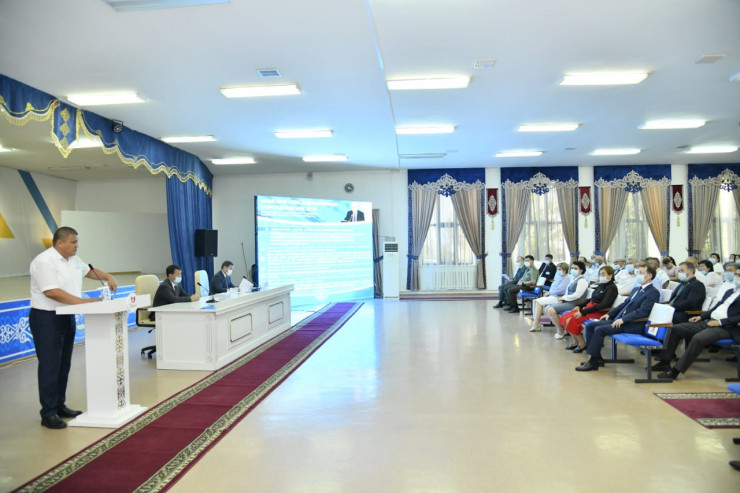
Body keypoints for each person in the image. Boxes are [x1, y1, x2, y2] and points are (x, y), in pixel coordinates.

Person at [29, 226, 118, 429]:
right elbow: (52, 292)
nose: (77, 246)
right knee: (50, 366)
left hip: (67, 316)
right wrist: (84, 302)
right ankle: (48, 413)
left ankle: (59, 405)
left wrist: (108, 276)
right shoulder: (44, 261)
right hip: (47, 318)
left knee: (64, 365)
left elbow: (89, 272)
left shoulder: (74, 260)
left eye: (77, 242)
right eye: (73, 242)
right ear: (60, 243)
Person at [656, 271, 740, 380]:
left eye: (739, 275)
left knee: (698, 338)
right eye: (736, 274)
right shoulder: (730, 291)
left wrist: (720, 322)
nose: (736, 277)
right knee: (675, 329)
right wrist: (701, 317)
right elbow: (716, 307)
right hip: (710, 320)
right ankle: (664, 362)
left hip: (728, 327)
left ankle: (675, 371)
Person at [575, 266, 660, 372]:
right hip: (620, 320)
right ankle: (596, 358)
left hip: (633, 324)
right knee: (591, 326)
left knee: (600, 330)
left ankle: (593, 362)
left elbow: (643, 311)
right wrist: (609, 314)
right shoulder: (636, 289)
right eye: (638, 272)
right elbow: (623, 305)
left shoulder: (652, 292)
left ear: (650, 276)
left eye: (641, 273)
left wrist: (623, 319)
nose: (638, 275)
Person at [562, 266, 618, 352]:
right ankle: (576, 342)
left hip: (599, 312)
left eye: (603, 274)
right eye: (600, 274)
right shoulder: (601, 285)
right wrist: (580, 306)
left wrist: (583, 312)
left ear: (610, 275)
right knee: (564, 317)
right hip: (590, 308)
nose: (601, 276)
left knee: (572, 319)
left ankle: (582, 344)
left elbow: (603, 305)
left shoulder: (612, 288)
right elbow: (591, 299)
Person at [545, 261, 590, 339]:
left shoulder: (582, 281)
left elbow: (577, 295)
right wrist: (563, 299)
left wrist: (563, 298)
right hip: (568, 301)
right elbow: (567, 292)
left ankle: (560, 330)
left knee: (551, 310)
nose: (573, 270)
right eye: (572, 268)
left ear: (581, 270)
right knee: (547, 308)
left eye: (575, 268)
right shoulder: (573, 279)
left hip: (576, 303)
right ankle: (560, 328)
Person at [530, 262, 571, 332]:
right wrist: (550, 292)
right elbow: (553, 288)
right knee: (535, 301)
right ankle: (536, 322)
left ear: (564, 270)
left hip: (558, 297)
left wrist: (550, 293)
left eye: (559, 269)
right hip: (553, 295)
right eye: (557, 269)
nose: (558, 271)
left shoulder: (567, 278)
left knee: (538, 302)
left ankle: (536, 324)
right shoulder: (560, 277)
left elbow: (560, 290)